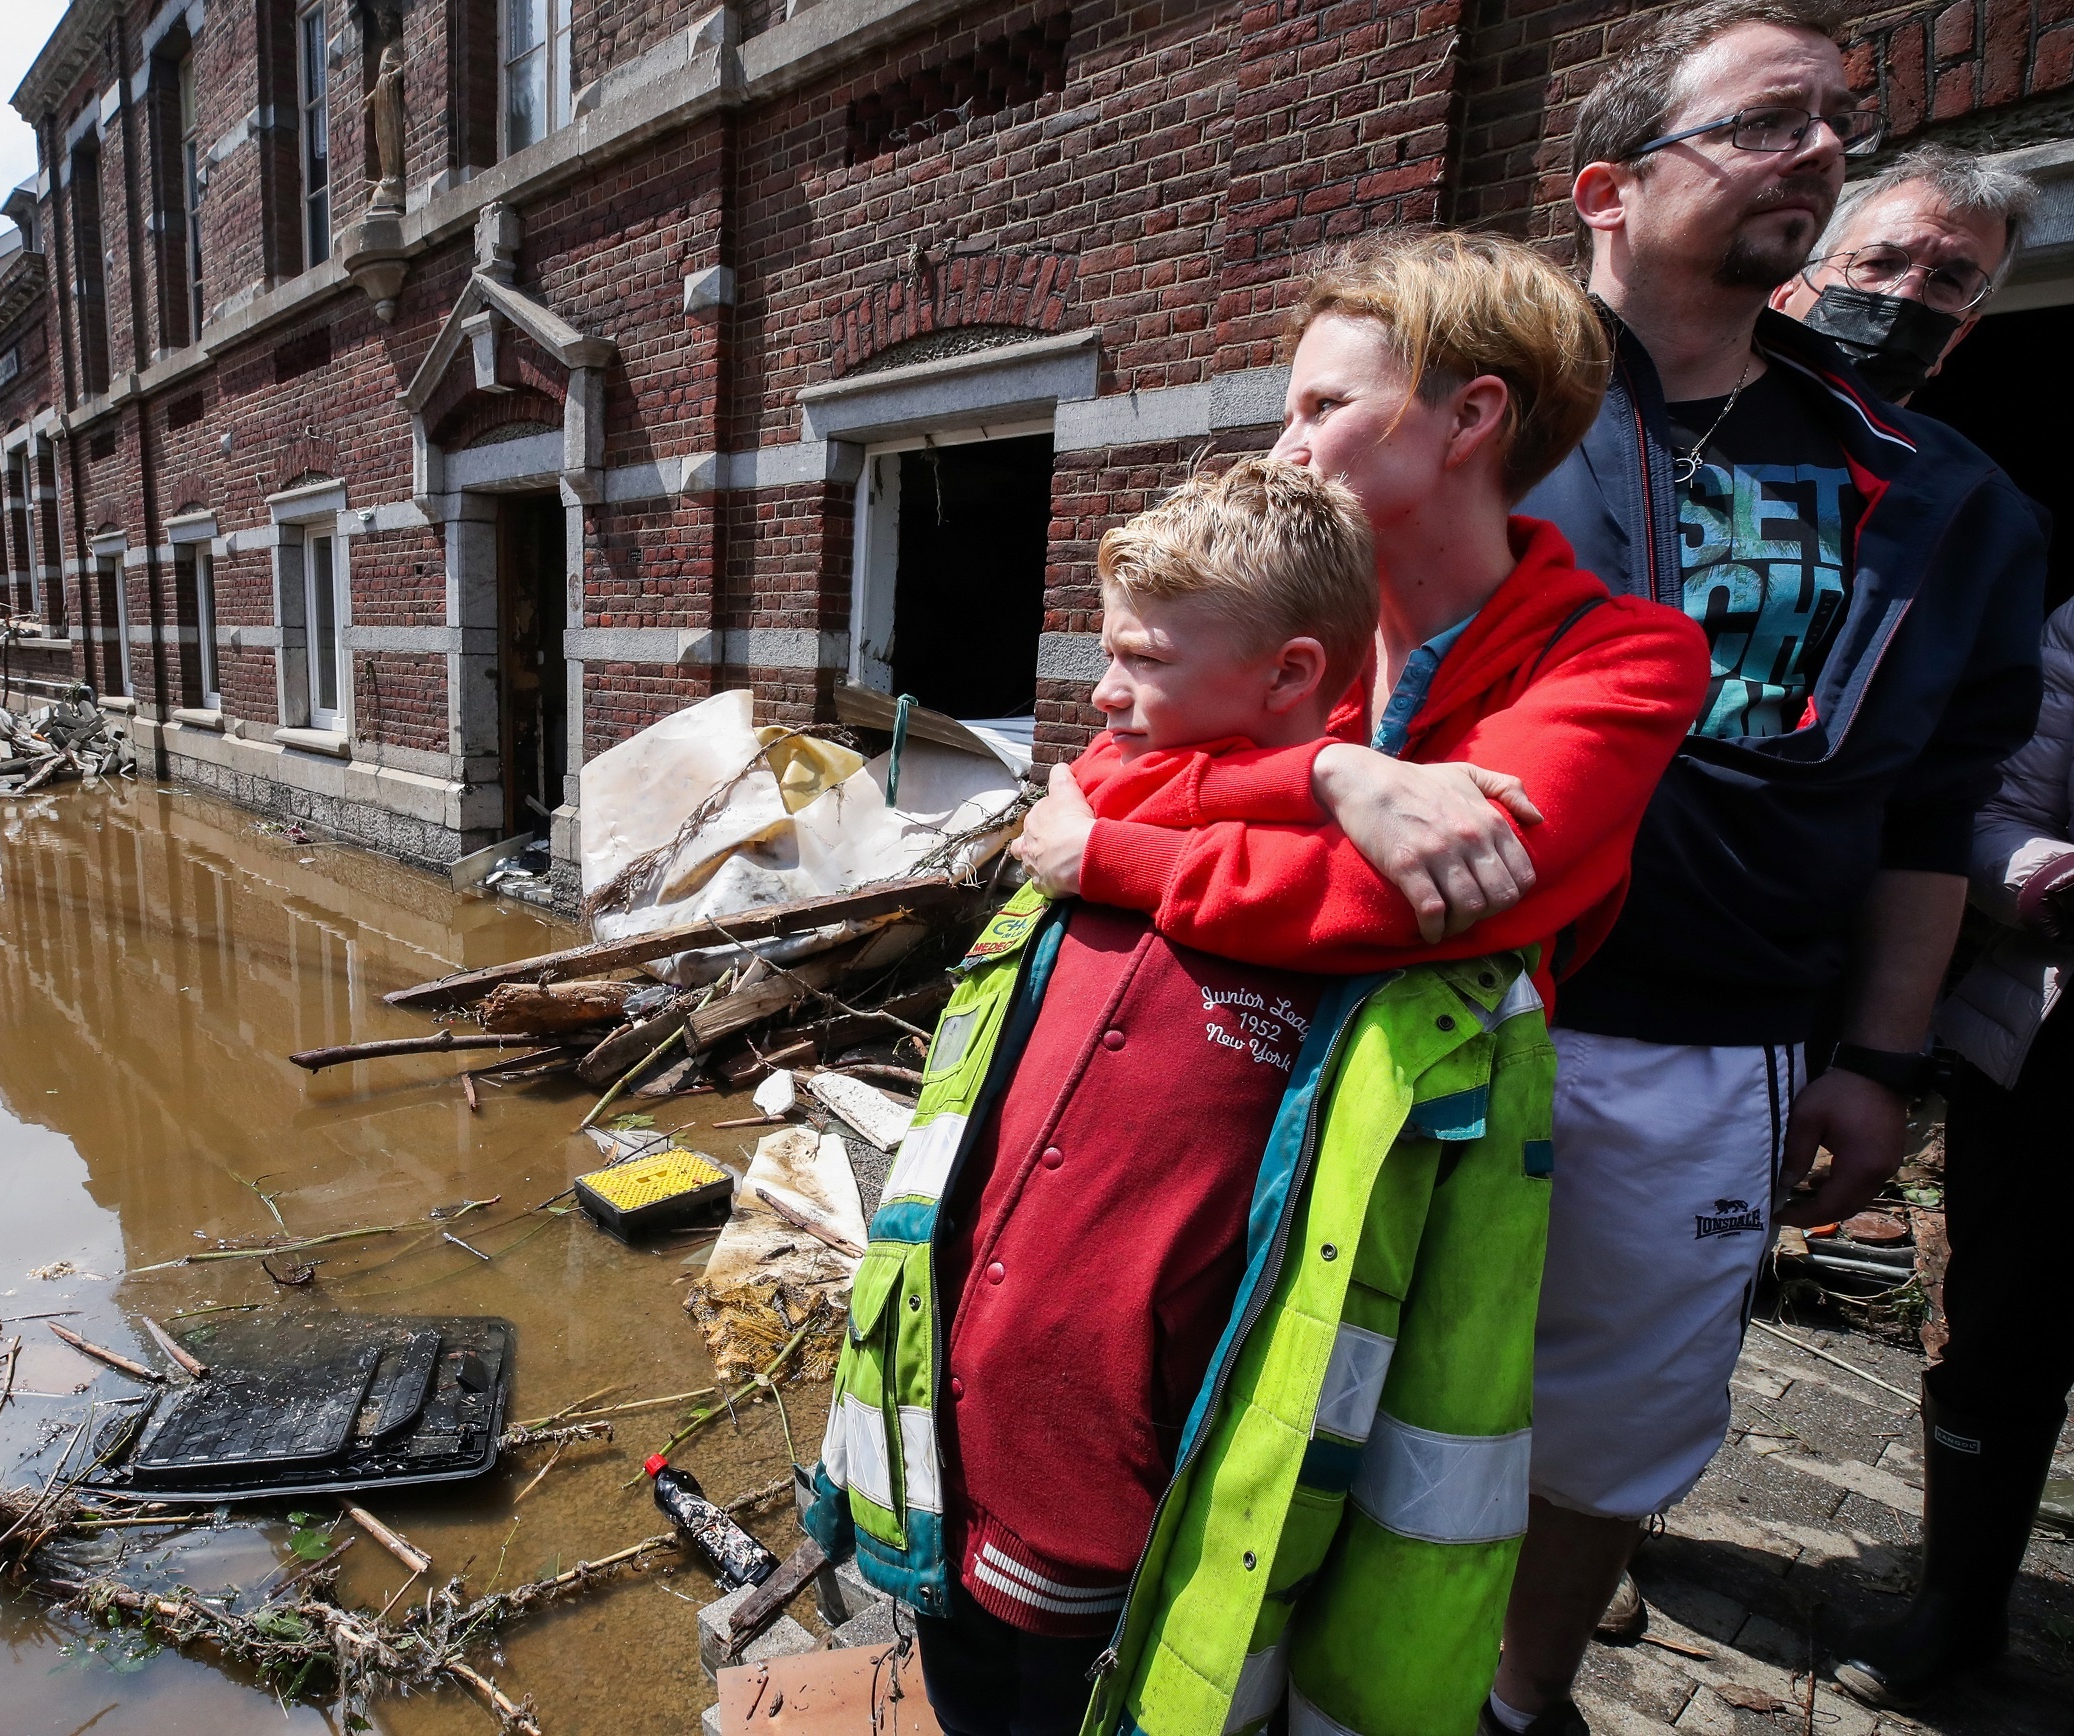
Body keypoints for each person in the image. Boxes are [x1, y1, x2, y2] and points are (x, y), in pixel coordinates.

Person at [805, 232, 1706, 1736]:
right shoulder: (1300, 652)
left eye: (1321, 407)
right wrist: (1337, 769)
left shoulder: (1620, 661)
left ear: (1470, 418)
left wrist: (1157, 846)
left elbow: (1407, 909)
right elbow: (1085, 796)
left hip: (1357, 1216)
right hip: (1125, 1218)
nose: (1285, 443)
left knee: (1260, 1546)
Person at [1477, 3, 2050, 1729]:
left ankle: (1519, 1692)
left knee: (1611, 1426)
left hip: (1708, 1046)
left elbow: (1930, 809)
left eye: (1837, 124)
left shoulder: (1944, 503)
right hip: (1427, 1004)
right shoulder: (1468, 395)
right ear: (1611, 184)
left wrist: (1878, 1056)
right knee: (1338, 1369)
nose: (1817, 146)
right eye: (1767, 120)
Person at [1835, 597, 2074, 1704]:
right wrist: (2043, 877)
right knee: (1999, 1329)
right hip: (2049, 1056)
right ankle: (1956, 1604)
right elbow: (1987, 809)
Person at [1770, 142, 2038, 404]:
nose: (1905, 294)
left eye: (1948, 281)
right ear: (1784, 291)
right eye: (1880, 263)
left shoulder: (1946, 450)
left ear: (1957, 337)